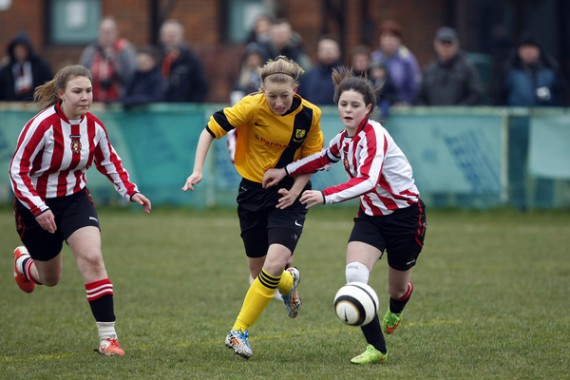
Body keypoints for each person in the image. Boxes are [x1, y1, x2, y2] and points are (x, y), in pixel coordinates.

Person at [263, 67, 427, 365]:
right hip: (371, 218)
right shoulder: (344, 139)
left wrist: (324, 195)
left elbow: (368, 180)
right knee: (355, 275)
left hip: (406, 217)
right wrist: (284, 170)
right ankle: (377, 348)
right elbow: (323, 157)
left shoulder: (374, 134)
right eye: (343, 104)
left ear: (368, 108)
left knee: (397, 288)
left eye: (355, 105)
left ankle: (398, 304)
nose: (348, 110)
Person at [182, 56, 324, 360]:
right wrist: (197, 170)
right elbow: (210, 130)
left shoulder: (311, 115)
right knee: (259, 271)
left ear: (295, 89)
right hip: (252, 192)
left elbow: (312, 161)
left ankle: (238, 331)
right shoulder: (251, 106)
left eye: (284, 96)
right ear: (262, 89)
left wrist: (296, 192)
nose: (278, 102)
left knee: (274, 263)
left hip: (290, 192)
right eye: (271, 96)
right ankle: (289, 282)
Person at [9, 64, 152, 356]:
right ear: (61, 94)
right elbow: (17, 171)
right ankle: (24, 263)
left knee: (92, 258)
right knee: (50, 279)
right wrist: (37, 208)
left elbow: (109, 160)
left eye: (88, 90)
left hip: (75, 200)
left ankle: (108, 339)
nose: (85, 96)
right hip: (35, 207)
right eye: (77, 91)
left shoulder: (94, 126)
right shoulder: (41, 126)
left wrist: (131, 191)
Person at [417, 27, 483, 106]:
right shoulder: (429, 70)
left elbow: (476, 94)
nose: (445, 48)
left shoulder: (467, 68)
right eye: (443, 44)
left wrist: (459, 111)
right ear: (436, 45)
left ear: (457, 45)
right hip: (434, 117)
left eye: (449, 44)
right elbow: (420, 97)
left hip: (460, 117)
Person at [79, 17, 137, 103]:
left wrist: (114, 65)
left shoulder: (124, 50)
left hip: (118, 101)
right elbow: (80, 76)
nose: (106, 35)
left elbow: (131, 76)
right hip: (94, 101)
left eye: (109, 32)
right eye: (103, 32)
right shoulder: (90, 51)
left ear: (116, 33)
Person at [371, 20, 421, 106]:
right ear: (380, 39)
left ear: (400, 40)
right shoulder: (373, 58)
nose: (389, 40)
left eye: (393, 36)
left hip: (401, 108)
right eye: (385, 36)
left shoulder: (407, 59)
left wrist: (405, 102)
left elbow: (414, 86)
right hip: (376, 108)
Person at [158, 19, 209, 103]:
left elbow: (201, 85)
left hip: (185, 110)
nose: (170, 38)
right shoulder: (155, 58)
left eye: (174, 34)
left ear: (181, 36)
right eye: (167, 34)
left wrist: (193, 105)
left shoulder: (191, 59)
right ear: (161, 37)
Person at [0, 32, 53, 101]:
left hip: (34, 104)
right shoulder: (7, 68)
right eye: (18, 49)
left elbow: (48, 84)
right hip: (11, 106)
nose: (20, 51)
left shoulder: (40, 66)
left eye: (23, 49)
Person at [297, 34, 342, 105]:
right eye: (324, 50)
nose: (328, 53)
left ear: (338, 52)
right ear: (317, 52)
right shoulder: (308, 77)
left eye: (332, 49)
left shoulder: (346, 76)